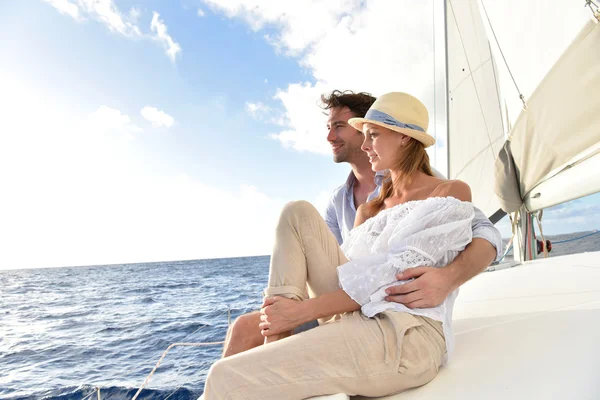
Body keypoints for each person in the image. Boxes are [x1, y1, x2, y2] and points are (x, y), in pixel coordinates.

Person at [203, 92, 479, 399]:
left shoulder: (448, 191)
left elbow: (392, 278)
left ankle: (277, 338)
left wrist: (299, 313)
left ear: (403, 138)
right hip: (357, 317)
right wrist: (286, 313)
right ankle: (275, 338)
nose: (364, 145)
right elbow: (349, 274)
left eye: (373, 135)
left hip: (403, 334)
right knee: (296, 212)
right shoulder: (368, 209)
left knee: (225, 377)